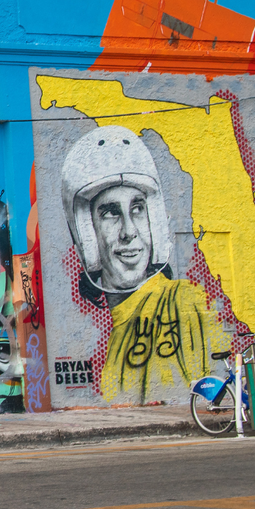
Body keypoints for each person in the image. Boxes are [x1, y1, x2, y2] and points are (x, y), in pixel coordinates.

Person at [61, 127, 218, 399]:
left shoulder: (182, 301)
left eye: (137, 208)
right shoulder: (117, 332)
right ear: (87, 233)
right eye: (111, 213)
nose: (129, 231)